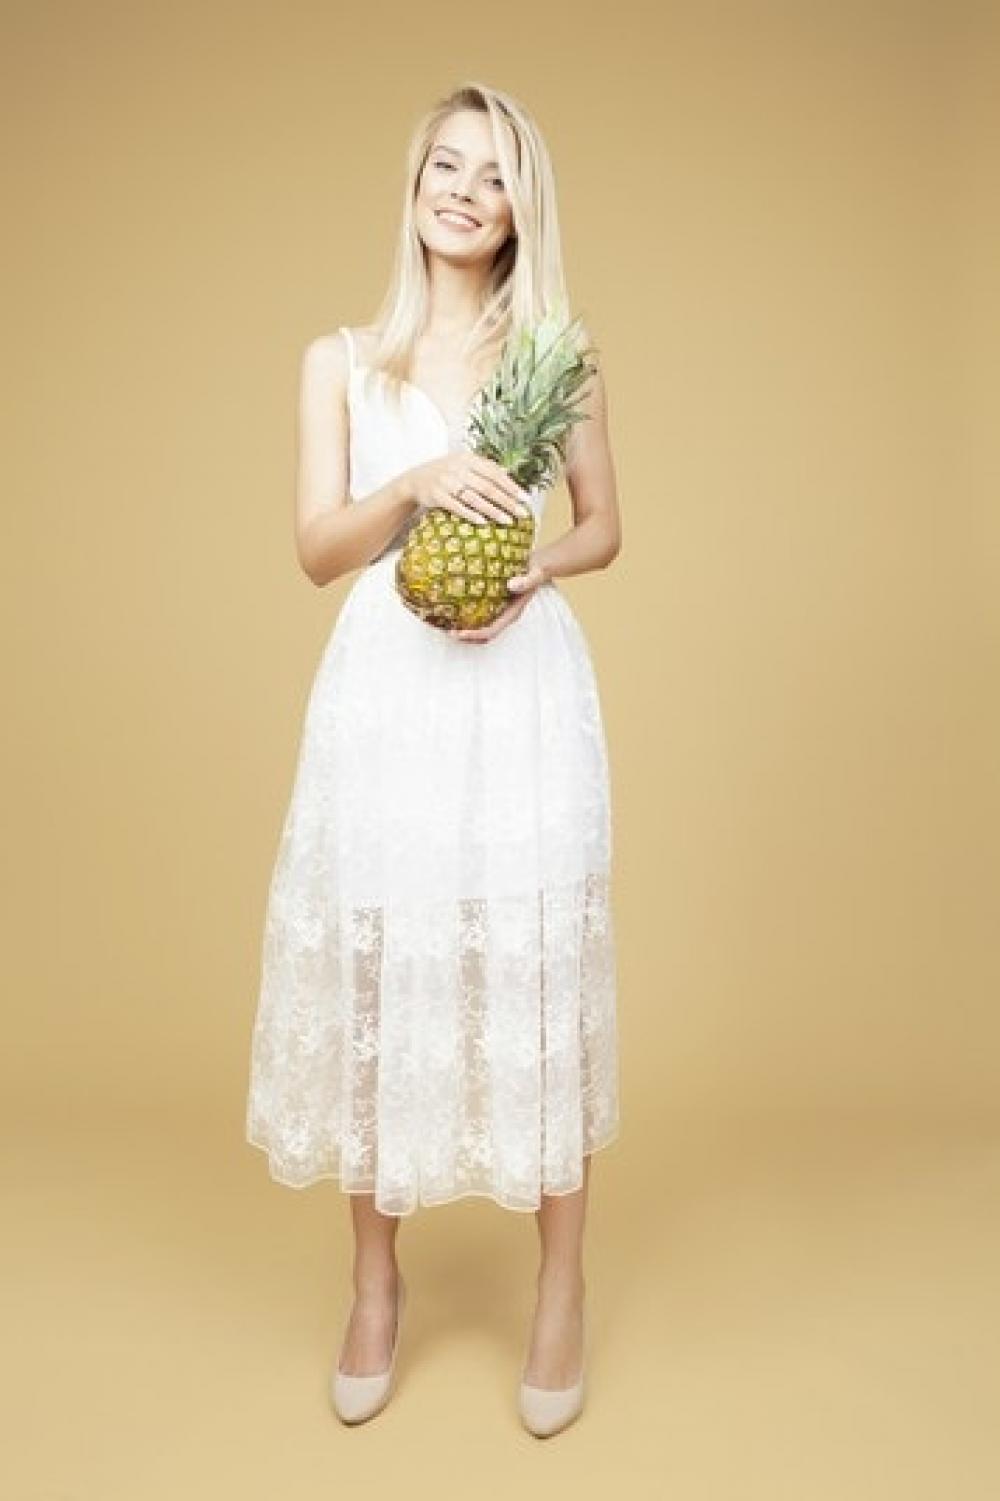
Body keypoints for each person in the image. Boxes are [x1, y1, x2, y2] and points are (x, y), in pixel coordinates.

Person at [246, 80, 622, 1437]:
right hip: (388, 688)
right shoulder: (341, 360)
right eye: (447, 165)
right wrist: (413, 485)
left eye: (496, 173)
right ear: (414, 186)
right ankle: (374, 1282)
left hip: (518, 682)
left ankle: (563, 1283)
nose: (467, 190)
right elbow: (316, 551)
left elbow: (604, 526)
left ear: (523, 209)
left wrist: (534, 569)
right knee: (376, 964)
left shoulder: (558, 356)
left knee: (538, 966)